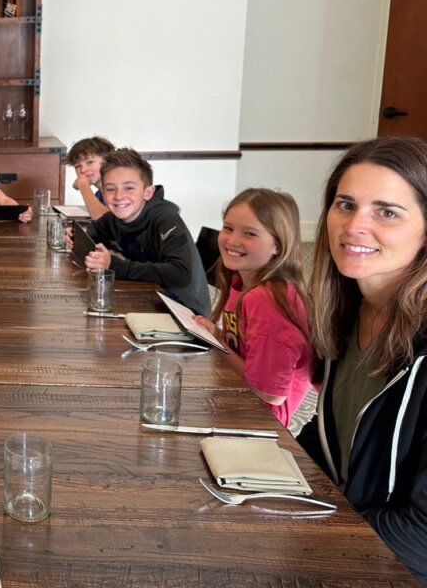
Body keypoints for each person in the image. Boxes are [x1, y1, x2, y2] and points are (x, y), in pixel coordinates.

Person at [298, 136, 427, 582]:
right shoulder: (348, 312)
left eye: (386, 212)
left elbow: (423, 535)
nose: (354, 226)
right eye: (345, 204)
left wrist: (308, 535)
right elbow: (332, 439)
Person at [192, 188, 312, 427]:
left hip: (257, 421)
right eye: (228, 228)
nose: (233, 240)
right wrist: (219, 337)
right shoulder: (241, 282)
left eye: (250, 233)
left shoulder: (267, 300)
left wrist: (221, 348)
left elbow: (270, 393)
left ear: (277, 245)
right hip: (238, 399)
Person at [84, 148, 210, 315]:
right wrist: (77, 237)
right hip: (152, 297)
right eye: (110, 189)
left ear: (148, 192)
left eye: (129, 188)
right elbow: (95, 231)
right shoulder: (116, 217)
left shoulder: (165, 218)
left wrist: (113, 265)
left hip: (186, 311)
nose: (119, 196)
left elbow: (180, 273)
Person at [66, 136, 114, 220]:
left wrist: (83, 186)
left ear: (107, 161)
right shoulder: (99, 195)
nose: (83, 170)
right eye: (77, 166)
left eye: (90, 162)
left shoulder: (118, 191)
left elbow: (104, 220)